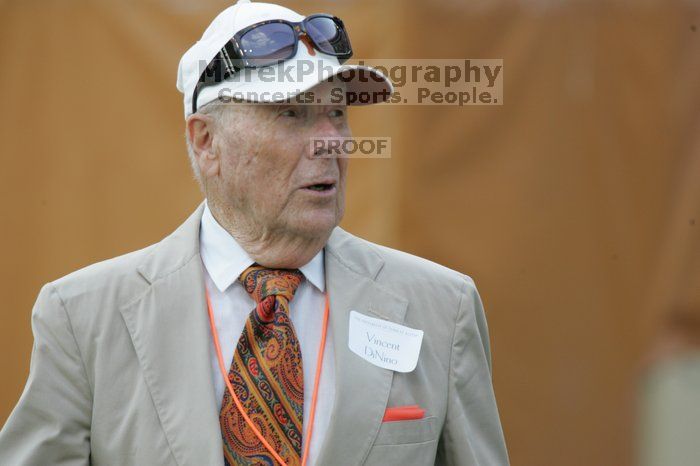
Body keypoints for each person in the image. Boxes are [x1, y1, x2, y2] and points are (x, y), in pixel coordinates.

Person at [0, 1, 509, 465]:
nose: (331, 140)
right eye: (292, 113)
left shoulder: (442, 308)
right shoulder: (83, 318)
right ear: (206, 142)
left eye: (336, 112)